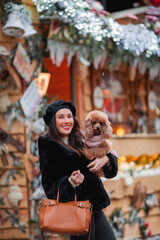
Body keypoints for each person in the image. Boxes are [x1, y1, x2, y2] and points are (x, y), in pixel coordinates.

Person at [38, 99, 118, 240]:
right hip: (76, 211)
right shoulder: (49, 146)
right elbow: (50, 189)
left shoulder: (81, 139)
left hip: (95, 208)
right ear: (52, 122)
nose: (66, 121)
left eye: (69, 116)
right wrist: (70, 183)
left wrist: (106, 159)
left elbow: (110, 169)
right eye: (61, 117)